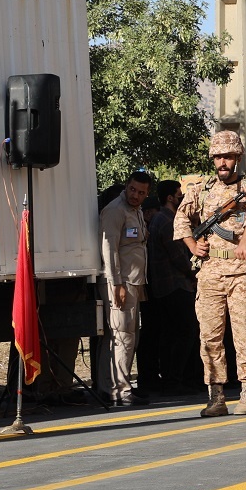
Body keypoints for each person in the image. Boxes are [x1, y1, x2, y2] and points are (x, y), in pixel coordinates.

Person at [176, 130, 246, 417]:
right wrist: (193, 245)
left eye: (227, 157)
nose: (222, 163)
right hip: (210, 273)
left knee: (245, 334)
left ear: (237, 158)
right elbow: (181, 218)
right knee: (210, 337)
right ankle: (216, 396)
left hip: (243, 273)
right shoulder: (201, 190)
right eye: (218, 157)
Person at [142, 179, 199, 396]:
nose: (181, 199)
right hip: (175, 285)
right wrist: (193, 273)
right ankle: (175, 379)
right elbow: (178, 256)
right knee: (186, 331)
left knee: (170, 334)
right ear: (170, 198)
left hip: (165, 286)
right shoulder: (168, 221)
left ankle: (170, 378)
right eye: (179, 196)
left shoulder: (160, 219)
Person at [101, 171, 153, 406]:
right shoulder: (116, 210)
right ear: (126, 186)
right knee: (122, 335)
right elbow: (109, 248)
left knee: (129, 335)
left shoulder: (136, 210)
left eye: (141, 192)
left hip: (134, 281)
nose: (136, 195)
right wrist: (117, 284)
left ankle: (117, 386)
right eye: (133, 189)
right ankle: (119, 390)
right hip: (121, 282)